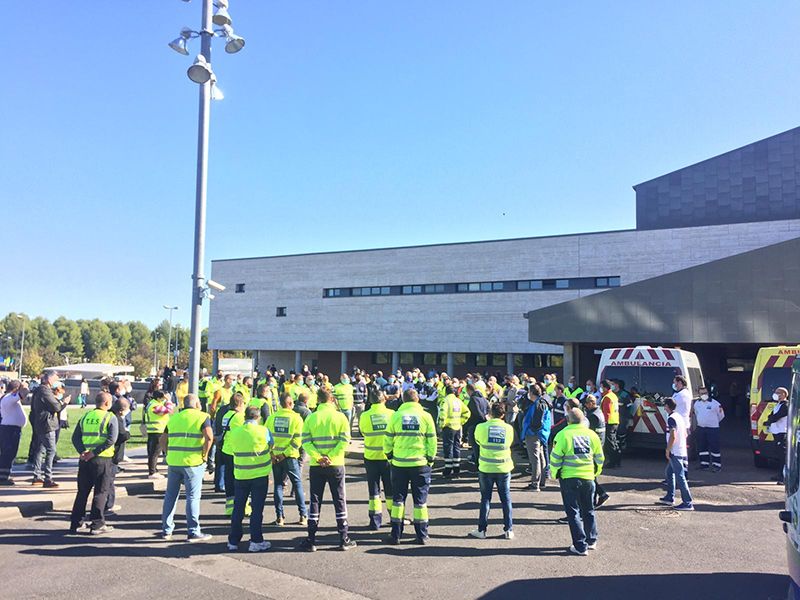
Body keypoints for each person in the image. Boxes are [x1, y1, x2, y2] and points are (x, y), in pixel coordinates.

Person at [299, 388, 355, 552]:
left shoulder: (311, 417)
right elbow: (345, 440)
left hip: (317, 466)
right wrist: (331, 456)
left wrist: (318, 457)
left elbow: (306, 441)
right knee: (339, 500)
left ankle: (311, 539)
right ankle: (343, 538)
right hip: (335, 464)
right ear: (332, 400)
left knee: (315, 501)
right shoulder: (340, 417)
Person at [384, 388, 437, 545]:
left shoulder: (395, 416)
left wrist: (389, 455)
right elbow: (432, 440)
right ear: (418, 400)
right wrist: (430, 460)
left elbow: (388, 439)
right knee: (420, 501)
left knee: (398, 500)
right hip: (420, 463)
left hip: (399, 464)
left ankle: (396, 535)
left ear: (403, 400)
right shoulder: (426, 416)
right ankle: (422, 535)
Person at [550, 407, 604, 555]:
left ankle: (580, 546)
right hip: (588, 478)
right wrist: (595, 472)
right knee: (589, 510)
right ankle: (591, 540)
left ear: (568, 420)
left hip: (569, 478)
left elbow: (555, 458)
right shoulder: (591, 435)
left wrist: (554, 474)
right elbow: (599, 457)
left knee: (573, 512)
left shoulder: (562, 435)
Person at [160, 394, 214, 541]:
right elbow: (209, 437)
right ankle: (193, 531)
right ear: (197, 404)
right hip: (193, 462)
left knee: (171, 496)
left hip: (174, 462)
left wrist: (166, 453)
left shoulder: (174, 418)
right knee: (192, 497)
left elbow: (162, 438)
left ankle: (166, 530)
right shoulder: (202, 416)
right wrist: (205, 454)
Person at [69, 392, 119, 535]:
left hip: (85, 460)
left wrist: (83, 452)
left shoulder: (85, 416)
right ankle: (97, 524)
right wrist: (94, 452)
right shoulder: (110, 417)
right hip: (102, 459)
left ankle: (76, 523)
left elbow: (75, 437)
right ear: (107, 403)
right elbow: (111, 440)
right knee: (101, 492)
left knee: (82, 492)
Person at [226, 406, 274, 553]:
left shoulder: (235, 432)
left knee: (238, 508)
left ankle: (233, 540)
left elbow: (231, 448)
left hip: (241, 474)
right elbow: (271, 445)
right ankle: (256, 541)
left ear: (245, 416)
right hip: (259, 474)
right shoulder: (263, 430)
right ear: (258, 417)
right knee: (257, 509)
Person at [469, 403, 515, 539]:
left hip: (486, 467)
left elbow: (477, 441)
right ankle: (509, 529)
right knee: (506, 499)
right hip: (504, 467)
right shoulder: (508, 428)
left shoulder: (481, 427)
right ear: (503, 414)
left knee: (485, 499)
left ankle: (481, 530)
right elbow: (510, 442)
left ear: (490, 413)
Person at [266, 393, 307, 526]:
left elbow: (266, 437)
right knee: (297, 484)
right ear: (290, 404)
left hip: (275, 457)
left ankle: (280, 517)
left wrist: (272, 453)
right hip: (290, 457)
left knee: (278, 485)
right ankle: (303, 516)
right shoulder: (296, 419)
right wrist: (285, 454)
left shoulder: (272, 418)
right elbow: (297, 441)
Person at [358, 390, 395, 530]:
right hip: (388, 458)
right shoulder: (391, 414)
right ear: (384, 399)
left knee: (374, 491)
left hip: (371, 457)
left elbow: (362, 432)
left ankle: (375, 521)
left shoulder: (365, 416)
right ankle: (394, 517)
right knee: (390, 489)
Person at [31, 371, 71, 487]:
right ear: (49, 380)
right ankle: (48, 478)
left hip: (40, 423)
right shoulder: (45, 391)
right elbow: (56, 407)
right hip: (47, 424)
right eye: (55, 379)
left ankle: (37, 476)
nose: (56, 382)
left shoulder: (39, 390)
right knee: (51, 450)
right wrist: (64, 403)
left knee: (40, 449)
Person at [657, 397, 694, 510]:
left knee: (680, 476)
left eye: (664, 405)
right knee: (669, 473)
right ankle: (669, 497)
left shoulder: (671, 418)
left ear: (667, 407)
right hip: (680, 449)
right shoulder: (678, 417)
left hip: (675, 451)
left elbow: (673, 435)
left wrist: (668, 449)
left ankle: (687, 502)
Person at [218, 392, 247, 515]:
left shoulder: (227, 414)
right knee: (241, 481)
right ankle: (244, 508)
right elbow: (244, 434)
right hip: (236, 451)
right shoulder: (239, 417)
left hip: (226, 450)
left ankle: (229, 509)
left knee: (229, 480)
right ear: (240, 404)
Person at [522, 383, 551, 491]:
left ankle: (535, 483)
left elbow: (537, 422)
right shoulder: (542, 402)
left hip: (534, 434)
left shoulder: (538, 404)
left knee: (535, 459)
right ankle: (541, 481)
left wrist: (531, 431)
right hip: (541, 434)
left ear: (532, 393)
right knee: (540, 457)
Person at [438, 385, 471, 479]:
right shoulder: (458, 401)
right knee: (456, 447)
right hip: (457, 427)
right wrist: (461, 421)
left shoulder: (445, 401)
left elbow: (442, 414)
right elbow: (467, 412)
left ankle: (448, 470)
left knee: (448, 448)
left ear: (446, 392)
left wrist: (441, 425)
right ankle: (456, 469)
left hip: (448, 427)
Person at [106, 397, 131, 515]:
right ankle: (108, 504)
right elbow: (121, 434)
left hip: (107, 454)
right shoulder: (117, 419)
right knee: (109, 480)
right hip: (113, 453)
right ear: (121, 410)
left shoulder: (109, 415)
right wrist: (128, 434)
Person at [0, 381, 27, 485]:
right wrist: (24, 387)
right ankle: (2, 477)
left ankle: (6, 475)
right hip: (9, 429)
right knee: (8, 453)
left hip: (11, 429)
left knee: (10, 454)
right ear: (16, 389)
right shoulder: (9, 397)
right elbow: (23, 393)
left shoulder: (10, 398)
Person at [584, 395, 609, 507]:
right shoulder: (599, 412)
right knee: (592, 475)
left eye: (586, 404)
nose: (585, 406)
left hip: (593, 449)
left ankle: (597, 497)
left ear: (591, 403)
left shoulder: (592, 416)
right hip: (599, 445)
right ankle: (601, 495)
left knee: (590, 476)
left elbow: (588, 433)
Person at [694, 386, 724, 471]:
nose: (704, 395)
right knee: (702, 447)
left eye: (705, 393)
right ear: (699, 394)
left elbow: (721, 416)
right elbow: (696, 413)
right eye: (701, 393)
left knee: (714, 447)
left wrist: (712, 422)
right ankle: (704, 464)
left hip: (713, 429)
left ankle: (716, 465)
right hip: (701, 428)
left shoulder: (715, 404)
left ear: (708, 393)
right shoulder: (697, 404)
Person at [144, 390, 173, 478]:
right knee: (155, 453)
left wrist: (166, 399)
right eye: (163, 398)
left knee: (153, 452)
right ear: (158, 398)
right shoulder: (155, 406)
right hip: (157, 431)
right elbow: (169, 410)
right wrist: (169, 400)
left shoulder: (153, 403)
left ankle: (154, 470)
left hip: (154, 431)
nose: (164, 399)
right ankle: (152, 472)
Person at [766, 387, 789, 485]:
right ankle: (779, 474)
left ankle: (783, 477)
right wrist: (768, 420)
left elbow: (776, 416)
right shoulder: (777, 405)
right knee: (779, 455)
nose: (775, 394)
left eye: (778, 393)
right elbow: (770, 415)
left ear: (784, 394)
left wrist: (769, 421)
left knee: (783, 456)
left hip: (782, 433)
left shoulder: (786, 405)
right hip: (776, 432)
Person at [464, 383, 489, 463]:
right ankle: (475, 458)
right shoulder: (483, 398)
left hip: (475, 424)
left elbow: (476, 412)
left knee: (475, 444)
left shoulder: (473, 399)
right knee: (480, 444)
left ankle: (477, 462)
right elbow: (488, 409)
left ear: (469, 390)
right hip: (483, 424)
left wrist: (482, 419)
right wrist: (485, 419)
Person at [599, 380, 621, 468]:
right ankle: (617, 460)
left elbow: (606, 412)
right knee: (614, 441)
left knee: (610, 443)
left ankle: (612, 462)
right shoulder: (613, 395)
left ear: (604, 387)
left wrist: (604, 423)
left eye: (601, 386)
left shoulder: (607, 397)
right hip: (615, 421)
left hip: (609, 422)